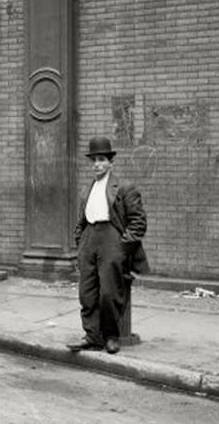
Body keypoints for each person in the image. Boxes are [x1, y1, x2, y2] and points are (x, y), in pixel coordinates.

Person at [67, 136, 148, 355]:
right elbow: (82, 219)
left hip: (112, 239)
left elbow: (139, 222)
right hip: (89, 239)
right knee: (87, 292)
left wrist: (122, 248)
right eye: (93, 160)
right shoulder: (88, 189)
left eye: (101, 159)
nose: (97, 164)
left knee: (109, 293)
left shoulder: (123, 187)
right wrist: (80, 240)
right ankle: (92, 337)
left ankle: (111, 336)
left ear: (110, 162)